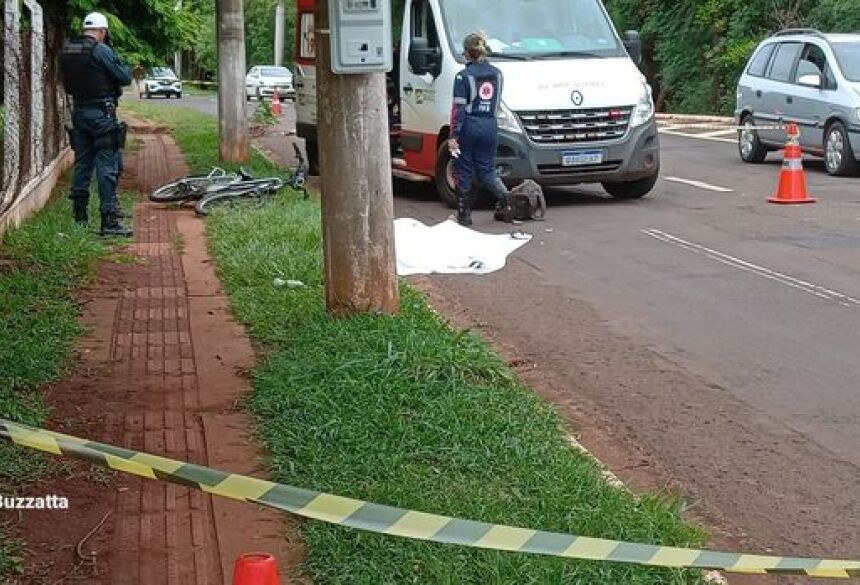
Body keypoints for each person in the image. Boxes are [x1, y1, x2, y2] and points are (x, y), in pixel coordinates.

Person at [60, 11, 133, 236]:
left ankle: (80, 217)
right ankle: (109, 221)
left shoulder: (67, 49)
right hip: (101, 113)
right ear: (101, 31)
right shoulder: (100, 50)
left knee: (82, 164)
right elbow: (124, 77)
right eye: (105, 33)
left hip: (79, 112)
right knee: (106, 166)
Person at [448, 32, 511, 226]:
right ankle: (507, 203)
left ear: (467, 53)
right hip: (490, 125)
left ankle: (464, 215)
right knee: (487, 170)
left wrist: (453, 136)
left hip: (469, 127)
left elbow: (458, 110)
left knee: (463, 168)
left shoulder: (462, 77)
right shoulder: (497, 74)